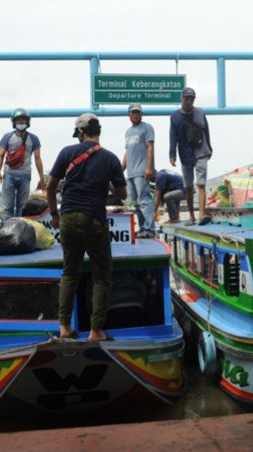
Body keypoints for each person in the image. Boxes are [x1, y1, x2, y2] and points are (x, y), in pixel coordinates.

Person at [46, 113, 127, 341]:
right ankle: (95, 331)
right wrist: (107, 182)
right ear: (98, 131)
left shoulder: (66, 153)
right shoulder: (110, 158)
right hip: (93, 219)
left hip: (68, 217)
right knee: (102, 276)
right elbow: (122, 194)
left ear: (81, 133)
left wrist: (54, 214)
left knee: (70, 272)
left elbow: (50, 187)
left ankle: (64, 327)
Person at [169, 87, 212, 226]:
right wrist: (172, 154)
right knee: (188, 187)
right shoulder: (175, 116)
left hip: (201, 151)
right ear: (181, 98)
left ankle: (201, 215)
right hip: (185, 154)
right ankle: (192, 216)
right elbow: (173, 136)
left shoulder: (200, 113)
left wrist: (210, 148)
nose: (188, 101)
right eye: (186, 98)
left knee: (201, 183)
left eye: (191, 98)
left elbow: (206, 130)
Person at [0, 108, 45, 220]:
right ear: (13, 122)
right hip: (9, 174)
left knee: (22, 207)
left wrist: (42, 178)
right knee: (7, 206)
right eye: (18, 120)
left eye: (23, 120)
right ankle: (6, 231)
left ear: (27, 122)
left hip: (25, 175)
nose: (21, 122)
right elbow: (0, 155)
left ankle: (20, 230)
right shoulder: (7, 137)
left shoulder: (34, 139)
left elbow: (38, 159)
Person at [122, 104, 156, 238]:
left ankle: (150, 230)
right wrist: (121, 170)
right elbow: (127, 152)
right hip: (130, 172)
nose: (136, 115)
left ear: (141, 114)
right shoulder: (128, 132)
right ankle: (142, 228)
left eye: (138, 113)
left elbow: (150, 147)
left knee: (144, 199)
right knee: (135, 203)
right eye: (133, 113)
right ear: (129, 115)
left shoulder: (147, 128)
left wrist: (149, 167)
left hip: (142, 170)